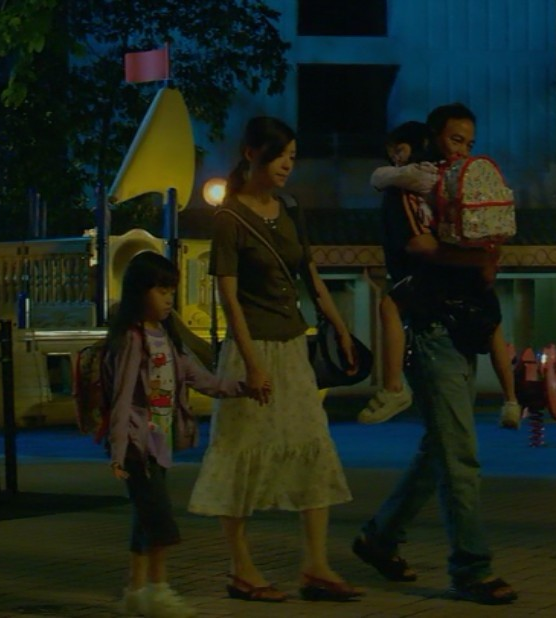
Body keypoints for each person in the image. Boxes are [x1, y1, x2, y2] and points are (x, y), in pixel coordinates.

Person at [188, 116, 363, 603]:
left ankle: (316, 566)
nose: (288, 164)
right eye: (280, 154)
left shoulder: (289, 207)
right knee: (239, 450)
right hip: (252, 350)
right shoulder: (229, 218)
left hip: (292, 347)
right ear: (252, 154)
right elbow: (229, 299)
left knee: (312, 444)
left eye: (293, 156)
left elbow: (310, 273)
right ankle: (240, 568)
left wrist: (340, 328)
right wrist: (251, 364)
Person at [352, 103, 519, 605]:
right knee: (459, 456)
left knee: (440, 451)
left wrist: (484, 254)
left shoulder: (461, 189)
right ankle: (471, 568)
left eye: (469, 142)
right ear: (433, 138)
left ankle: (379, 538)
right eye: (454, 139)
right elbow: (421, 247)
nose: (462, 150)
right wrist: (476, 257)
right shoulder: (408, 190)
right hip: (430, 332)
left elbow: (486, 252)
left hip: (463, 332)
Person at [106, 251, 247, 618]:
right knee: (160, 521)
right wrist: (118, 452)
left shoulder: (167, 339)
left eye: (172, 291)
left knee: (146, 519)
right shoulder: (132, 339)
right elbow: (121, 398)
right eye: (161, 290)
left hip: (160, 443)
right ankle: (159, 590)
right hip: (137, 445)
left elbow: (201, 379)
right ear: (139, 292)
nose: (169, 299)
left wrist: (242, 387)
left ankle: (136, 592)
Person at [358, 120, 521, 430]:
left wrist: (386, 174)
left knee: (389, 306)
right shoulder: (464, 180)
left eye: (399, 150)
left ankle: (393, 386)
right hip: (475, 268)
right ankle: (511, 400)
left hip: (441, 286)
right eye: (457, 141)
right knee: (494, 330)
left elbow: (417, 241)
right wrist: (486, 257)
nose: (396, 157)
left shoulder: (418, 178)